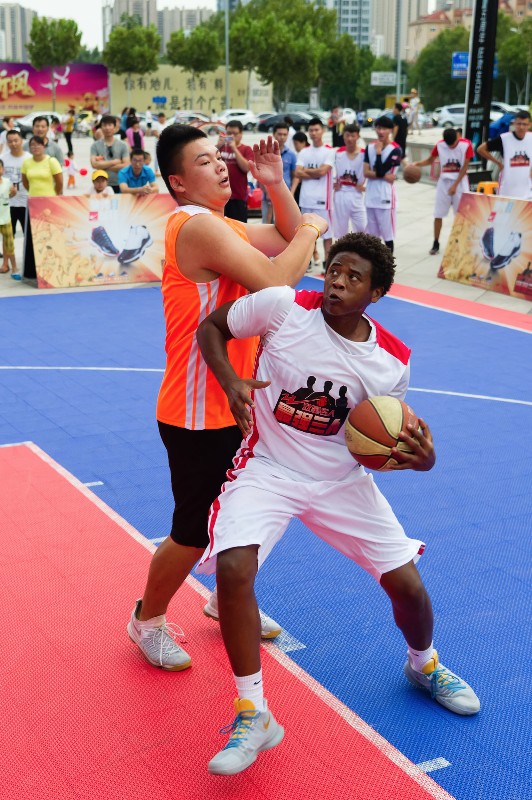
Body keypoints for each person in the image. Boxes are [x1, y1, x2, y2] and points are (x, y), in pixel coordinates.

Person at [195, 231, 481, 776]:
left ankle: (424, 665)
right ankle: (253, 712)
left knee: (408, 586)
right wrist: (230, 379)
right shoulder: (282, 307)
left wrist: (423, 461)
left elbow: (389, 442)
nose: (337, 283)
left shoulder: (391, 362)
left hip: (341, 481)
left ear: (376, 293)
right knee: (234, 569)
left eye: (354, 278)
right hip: (269, 467)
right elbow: (212, 326)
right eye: (333, 270)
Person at [126, 124, 328, 672]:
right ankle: (147, 619)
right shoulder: (194, 226)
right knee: (193, 531)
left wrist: (276, 184)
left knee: (251, 513)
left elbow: (283, 236)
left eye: (219, 156)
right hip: (196, 411)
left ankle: (225, 598)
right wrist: (313, 227)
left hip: (239, 405)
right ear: (178, 182)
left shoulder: (222, 224)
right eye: (204, 160)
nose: (220, 164)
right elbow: (278, 279)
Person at [411, 127, 473, 255]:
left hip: (460, 182)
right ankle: (436, 242)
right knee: (438, 214)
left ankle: (460, 242)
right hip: (444, 182)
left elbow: (465, 167)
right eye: (449, 145)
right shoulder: (440, 145)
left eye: (453, 144)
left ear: (457, 137)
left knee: (461, 215)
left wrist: (455, 185)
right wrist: (417, 164)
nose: (451, 147)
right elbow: (430, 160)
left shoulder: (466, 145)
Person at [294, 117, 334, 271]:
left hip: (323, 200)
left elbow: (323, 172)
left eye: (317, 130)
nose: (314, 133)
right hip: (306, 199)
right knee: (307, 233)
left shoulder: (329, 151)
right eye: (311, 130)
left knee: (327, 234)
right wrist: (315, 173)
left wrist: (307, 171)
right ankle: (307, 262)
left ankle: (328, 264)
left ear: (322, 131)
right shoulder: (304, 152)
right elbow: (297, 172)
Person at [363, 116, 402, 253]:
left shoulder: (396, 150)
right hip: (371, 196)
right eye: (378, 128)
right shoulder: (369, 147)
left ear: (390, 130)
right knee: (372, 238)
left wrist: (379, 153)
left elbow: (379, 171)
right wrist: (385, 176)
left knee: (388, 236)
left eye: (384, 129)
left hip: (386, 198)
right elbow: (366, 172)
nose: (380, 131)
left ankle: (389, 264)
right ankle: (374, 264)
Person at [476, 109, 532, 199]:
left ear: (529, 125)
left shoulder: (530, 138)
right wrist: (498, 163)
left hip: (526, 190)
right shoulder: (504, 139)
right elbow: (480, 149)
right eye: (519, 124)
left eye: (524, 124)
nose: (521, 127)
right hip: (507, 189)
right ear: (514, 124)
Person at [2, 129, 30, 280]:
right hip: (8, 204)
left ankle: (30, 263)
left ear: (21, 141)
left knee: (28, 235)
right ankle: (5, 263)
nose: (13, 144)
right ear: (7, 143)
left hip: (26, 203)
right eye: (10, 141)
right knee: (8, 236)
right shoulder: (3, 159)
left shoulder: (29, 158)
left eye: (16, 140)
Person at [332, 123, 366, 238]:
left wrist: (366, 187)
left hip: (357, 194)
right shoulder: (337, 153)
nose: (350, 139)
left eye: (353, 136)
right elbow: (329, 170)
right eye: (347, 135)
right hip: (341, 194)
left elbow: (373, 173)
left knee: (362, 229)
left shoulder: (364, 154)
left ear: (358, 136)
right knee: (340, 231)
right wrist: (333, 183)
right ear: (343, 136)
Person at [259, 123, 298, 224]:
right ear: (274, 134)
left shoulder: (291, 154)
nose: (282, 137)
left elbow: (295, 176)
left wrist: (291, 193)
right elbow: (260, 174)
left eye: (285, 134)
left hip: (285, 196)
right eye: (279, 134)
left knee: (285, 226)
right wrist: (267, 192)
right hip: (268, 196)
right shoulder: (265, 152)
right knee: (267, 225)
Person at [217, 120, 254, 222]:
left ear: (241, 134)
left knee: (239, 227)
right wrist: (217, 146)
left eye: (235, 134)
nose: (231, 136)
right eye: (229, 133)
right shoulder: (221, 148)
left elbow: (246, 168)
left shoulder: (246, 149)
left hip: (238, 196)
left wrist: (234, 148)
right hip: (220, 197)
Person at [90, 115, 130, 194]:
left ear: (115, 128)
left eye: (110, 125)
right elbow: (94, 164)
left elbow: (126, 165)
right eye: (104, 125)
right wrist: (115, 162)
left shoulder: (123, 145)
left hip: (120, 183)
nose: (107, 128)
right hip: (101, 185)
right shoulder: (95, 145)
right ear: (101, 128)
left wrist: (103, 165)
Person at [0, 158, 17, 275]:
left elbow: (8, 197)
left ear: (3, 169)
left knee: (9, 244)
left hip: (5, 218)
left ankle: (14, 268)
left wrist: (13, 194)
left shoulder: (7, 182)